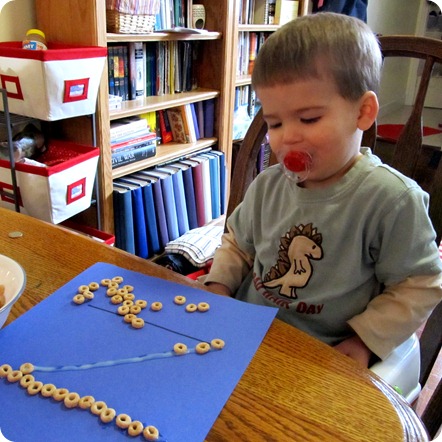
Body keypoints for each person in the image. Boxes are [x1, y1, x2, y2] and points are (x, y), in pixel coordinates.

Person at [203, 13, 442, 367]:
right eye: (275, 123)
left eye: (309, 118)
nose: (288, 136)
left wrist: (364, 340)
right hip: (245, 335)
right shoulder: (268, 185)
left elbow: (420, 282)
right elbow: (239, 244)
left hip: (325, 354)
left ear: (363, 112)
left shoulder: (390, 200)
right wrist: (218, 286)